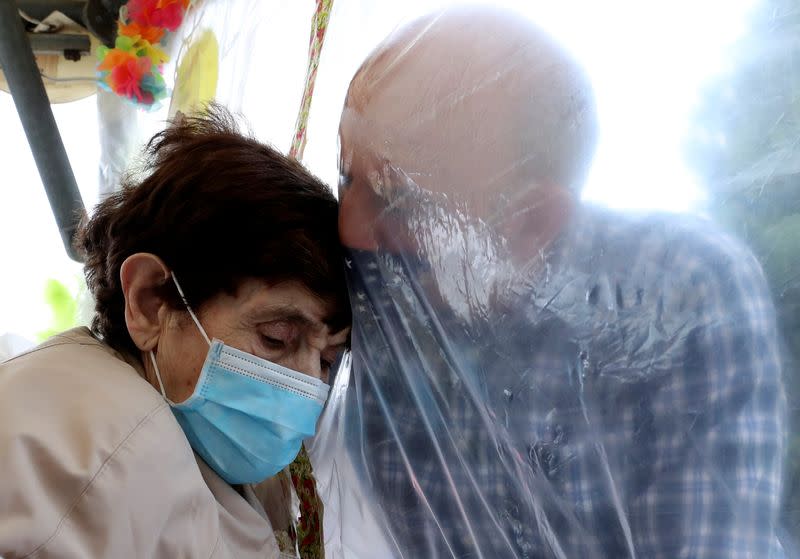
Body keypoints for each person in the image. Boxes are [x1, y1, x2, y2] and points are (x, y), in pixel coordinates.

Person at [331, 5, 787, 558]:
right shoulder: (367, 285)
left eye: (399, 201)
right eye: (346, 174)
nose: (348, 229)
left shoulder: (679, 294)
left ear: (530, 224)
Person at [0, 105, 350, 558]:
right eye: (277, 337)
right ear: (150, 303)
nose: (306, 386)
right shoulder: (89, 455)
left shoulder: (200, 454)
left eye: (327, 361)